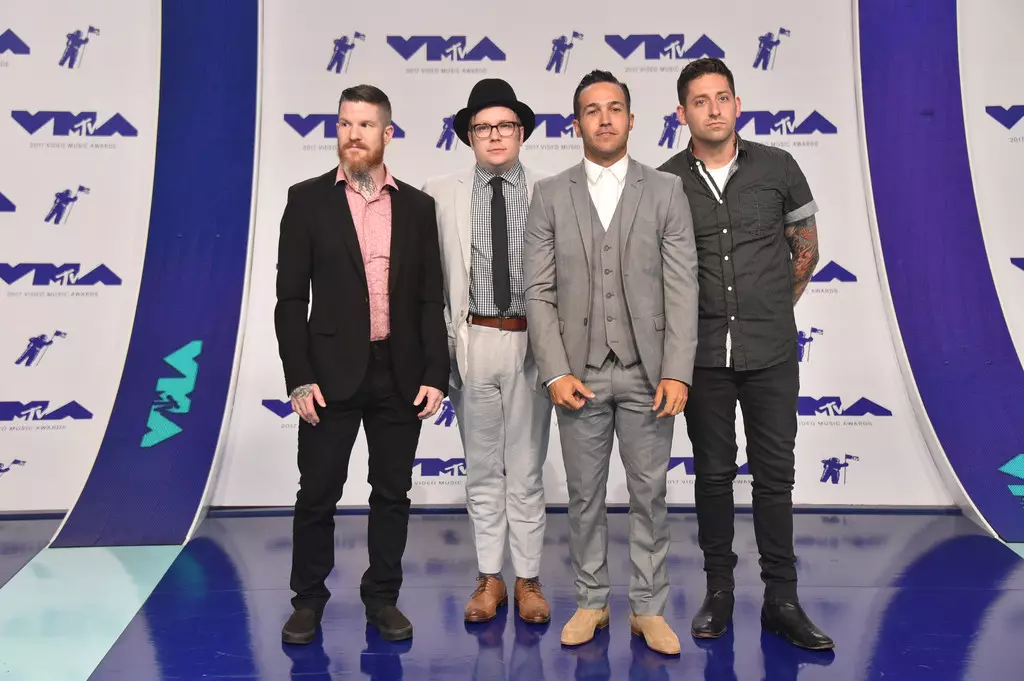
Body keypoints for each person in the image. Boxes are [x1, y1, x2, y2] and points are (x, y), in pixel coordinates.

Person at [657, 57, 834, 650]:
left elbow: (804, 249)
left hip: (771, 351)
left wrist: (770, 310)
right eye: (700, 100)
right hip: (701, 357)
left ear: (737, 104)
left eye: (722, 97)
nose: (713, 108)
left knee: (775, 478)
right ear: (682, 113)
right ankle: (720, 592)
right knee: (711, 476)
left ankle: (782, 600)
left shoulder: (779, 166)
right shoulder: (663, 182)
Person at [524, 69, 699, 655]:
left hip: (650, 375)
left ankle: (648, 610)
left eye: (615, 108)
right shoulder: (549, 194)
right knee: (584, 496)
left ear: (631, 119)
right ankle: (593, 602)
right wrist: (554, 370)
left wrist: (677, 369)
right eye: (592, 110)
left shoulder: (666, 191)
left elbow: (683, 287)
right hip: (578, 373)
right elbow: (538, 292)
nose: (604, 118)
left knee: (650, 494)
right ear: (576, 124)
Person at [274, 84, 449, 645]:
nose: (353, 134)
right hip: (328, 375)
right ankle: (308, 600)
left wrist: (434, 374)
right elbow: (288, 301)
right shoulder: (305, 200)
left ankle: (383, 598)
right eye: (345, 123)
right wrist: (298, 376)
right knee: (317, 492)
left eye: (365, 125)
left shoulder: (419, 208)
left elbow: (429, 300)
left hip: (398, 371)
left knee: (391, 493)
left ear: (387, 134)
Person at [422, 79, 554, 625]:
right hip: (471, 342)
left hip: (533, 342)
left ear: (520, 132)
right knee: (481, 471)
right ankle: (489, 578)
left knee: (525, 470)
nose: (495, 135)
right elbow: (427, 283)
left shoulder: (553, 190)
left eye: (505, 126)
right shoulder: (437, 194)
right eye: (483, 127)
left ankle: (528, 579)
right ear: (468, 136)